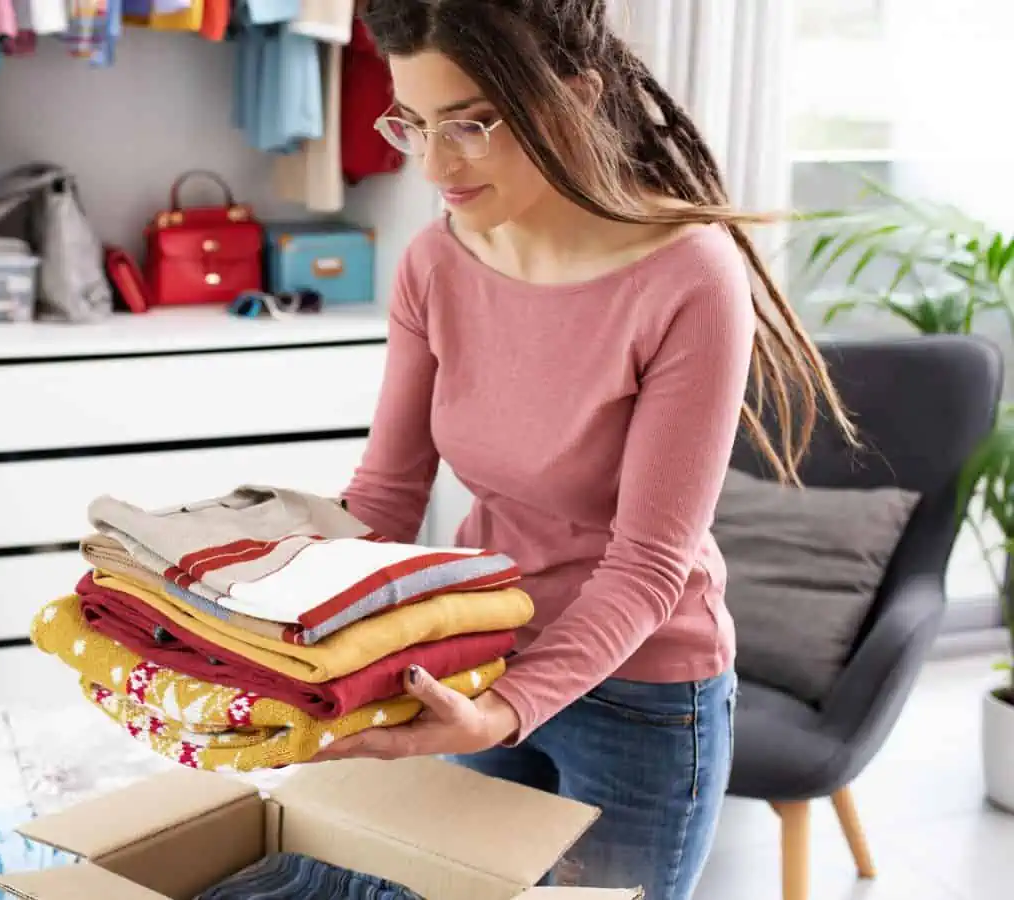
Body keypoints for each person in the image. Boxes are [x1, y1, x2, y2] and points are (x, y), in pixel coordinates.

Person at [308, 1, 857, 898]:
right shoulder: (435, 263)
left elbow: (647, 565)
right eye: (413, 123)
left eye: (473, 124)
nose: (437, 165)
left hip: (642, 694)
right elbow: (385, 494)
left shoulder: (686, 275)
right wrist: (286, 623)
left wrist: (505, 712)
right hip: (476, 655)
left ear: (575, 97)